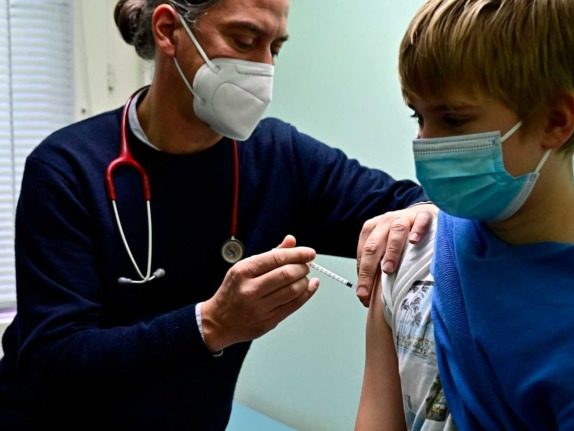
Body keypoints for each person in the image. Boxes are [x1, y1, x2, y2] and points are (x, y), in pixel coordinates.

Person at [0, 0, 435, 428]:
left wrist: (415, 215)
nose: (264, 68)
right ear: (168, 31)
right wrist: (210, 325)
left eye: (275, 48)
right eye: (245, 40)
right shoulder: (68, 169)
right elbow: (53, 361)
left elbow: (411, 205)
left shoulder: (278, 157)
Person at [356, 0, 574, 430]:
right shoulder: (412, 252)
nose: (426, 144)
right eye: (419, 116)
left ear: (555, 120)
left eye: (453, 119)